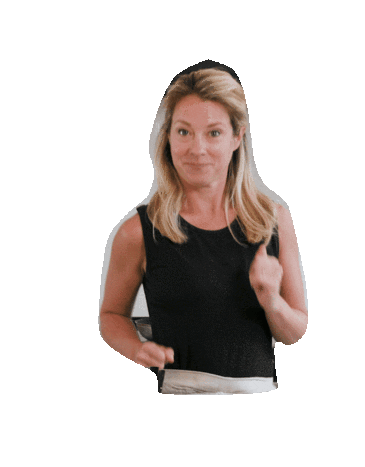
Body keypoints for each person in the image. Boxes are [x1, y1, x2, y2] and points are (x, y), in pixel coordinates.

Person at [99, 64, 307, 394]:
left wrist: (272, 301)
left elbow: (294, 333)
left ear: (237, 136)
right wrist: (137, 348)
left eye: (214, 133)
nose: (197, 149)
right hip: (180, 389)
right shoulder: (138, 231)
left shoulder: (274, 220)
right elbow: (111, 315)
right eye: (184, 132)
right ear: (168, 136)